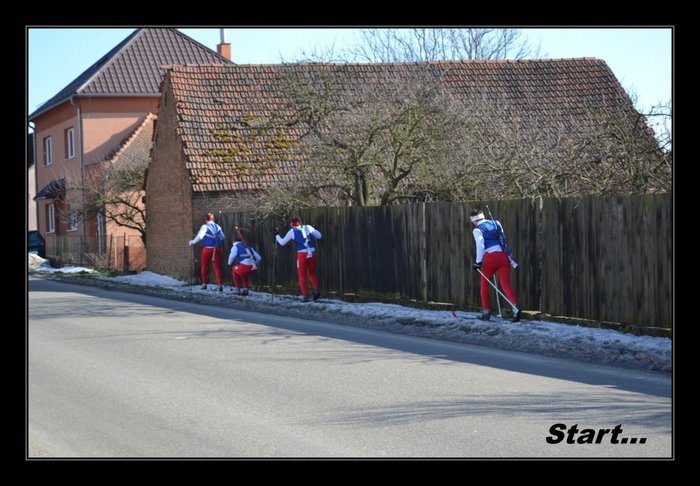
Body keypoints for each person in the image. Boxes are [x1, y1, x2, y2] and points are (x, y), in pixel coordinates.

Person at [470, 208, 521, 322]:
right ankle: (516, 308)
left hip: (491, 258)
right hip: (504, 256)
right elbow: (503, 240)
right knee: (505, 284)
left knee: (484, 284)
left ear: (473, 220)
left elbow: (480, 246)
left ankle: (486, 312)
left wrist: (478, 262)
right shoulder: (496, 223)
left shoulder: (477, 230)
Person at [275, 216, 322, 302]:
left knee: (302, 276)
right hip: (312, 253)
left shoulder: (292, 231)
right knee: (311, 273)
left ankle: (305, 296)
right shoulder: (308, 227)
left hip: (302, 255)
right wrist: (315, 229)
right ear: (300, 222)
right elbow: (319, 236)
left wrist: (276, 235)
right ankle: (316, 290)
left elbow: (282, 242)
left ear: (292, 224)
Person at [189, 213, 225, 291]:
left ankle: (204, 284)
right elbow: (223, 237)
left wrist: (193, 242)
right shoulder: (218, 227)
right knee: (217, 268)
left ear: (206, 220)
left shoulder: (205, 226)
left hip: (208, 249)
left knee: (204, 266)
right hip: (217, 249)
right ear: (213, 219)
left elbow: (200, 236)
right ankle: (219, 285)